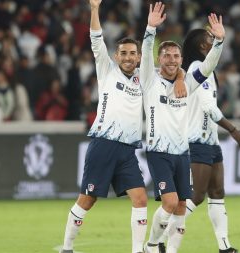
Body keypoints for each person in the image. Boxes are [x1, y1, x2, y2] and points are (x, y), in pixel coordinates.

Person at [60, 1, 147, 252]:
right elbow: (96, 39)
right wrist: (95, 9)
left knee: (140, 198)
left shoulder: (144, 77)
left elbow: (171, 69)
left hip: (127, 150)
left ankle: (137, 250)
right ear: (116, 56)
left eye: (133, 53)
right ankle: (67, 247)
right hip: (104, 145)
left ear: (139, 57)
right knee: (87, 200)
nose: (128, 57)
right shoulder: (106, 69)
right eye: (124, 53)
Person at [139, 2, 225, 252]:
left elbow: (208, 67)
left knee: (180, 207)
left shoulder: (187, 81)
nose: (171, 60)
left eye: (176, 56)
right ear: (159, 59)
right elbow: (145, 54)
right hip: (159, 152)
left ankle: (171, 250)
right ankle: (152, 244)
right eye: (166, 56)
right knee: (170, 202)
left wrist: (218, 43)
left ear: (181, 60)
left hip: (182, 153)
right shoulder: (149, 80)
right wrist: (150, 29)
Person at [170, 28, 240, 253]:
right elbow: (208, 107)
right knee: (195, 195)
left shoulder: (208, 70)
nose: (212, 41)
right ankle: (161, 239)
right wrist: (232, 129)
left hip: (210, 141)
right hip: (197, 139)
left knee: (217, 194)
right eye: (209, 39)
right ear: (203, 47)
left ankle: (224, 247)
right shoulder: (195, 69)